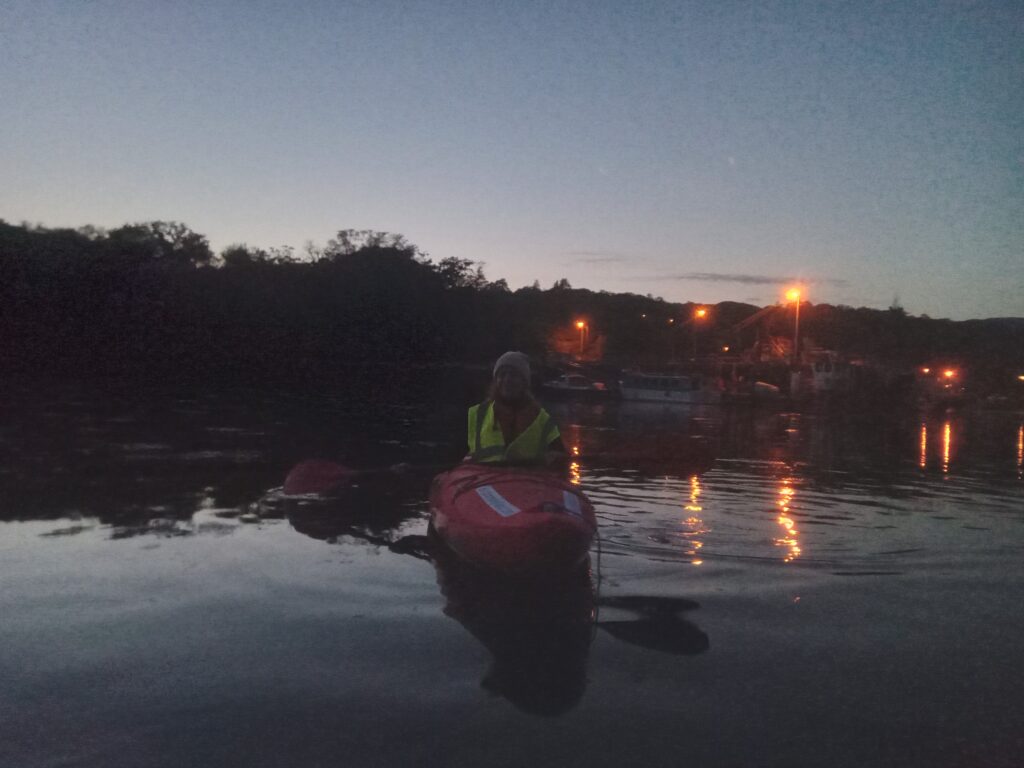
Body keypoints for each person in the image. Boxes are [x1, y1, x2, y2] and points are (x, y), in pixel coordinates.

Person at [466, 351, 565, 466]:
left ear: (524, 382)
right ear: (496, 380)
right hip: (485, 480)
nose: (507, 380)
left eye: (514, 375)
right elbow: (465, 455)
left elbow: (559, 456)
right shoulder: (478, 414)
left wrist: (555, 457)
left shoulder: (542, 419)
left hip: (527, 480)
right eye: (502, 375)